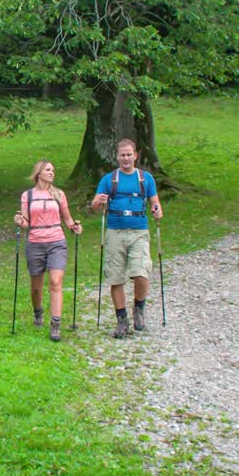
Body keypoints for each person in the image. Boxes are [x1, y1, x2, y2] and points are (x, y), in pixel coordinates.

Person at [90, 139, 163, 338]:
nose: (126, 158)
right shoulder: (108, 179)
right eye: (122, 155)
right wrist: (98, 202)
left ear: (135, 155)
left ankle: (139, 308)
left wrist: (157, 211)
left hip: (139, 230)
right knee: (116, 276)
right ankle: (121, 319)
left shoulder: (146, 179)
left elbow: (155, 203)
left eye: (129, 155)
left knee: (141, 273)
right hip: (115, 231)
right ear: (117, 157)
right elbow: (95, 206)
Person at [13, 160, 82, 342]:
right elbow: (27, 223)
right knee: (36, 288)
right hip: (35, 242)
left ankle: (55, 324)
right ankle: (38, 312)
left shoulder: (59, 194)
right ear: (38, 173)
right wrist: (20, 222)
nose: (52, 173)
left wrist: (74, 227)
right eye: (48, 170)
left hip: (56, 242)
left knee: (56, 281)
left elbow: (67, 219)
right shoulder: (27, 196)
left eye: (53, 170)